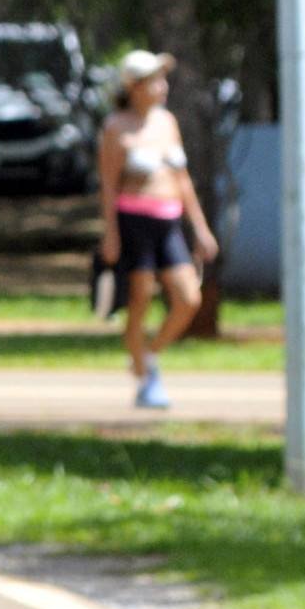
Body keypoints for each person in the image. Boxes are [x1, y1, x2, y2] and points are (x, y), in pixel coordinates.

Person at [97, 47, 218, 411]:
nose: (162, 86)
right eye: (154, 80)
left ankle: (147, 356)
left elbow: (181, 179)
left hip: (169, 221)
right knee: (141, 299)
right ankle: (147, 377)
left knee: (188, 298)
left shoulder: (167, 123)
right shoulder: (116, 127)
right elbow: (108, 184)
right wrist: (111, 234)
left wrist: (199, 227)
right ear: (134, 86)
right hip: (134, 222)